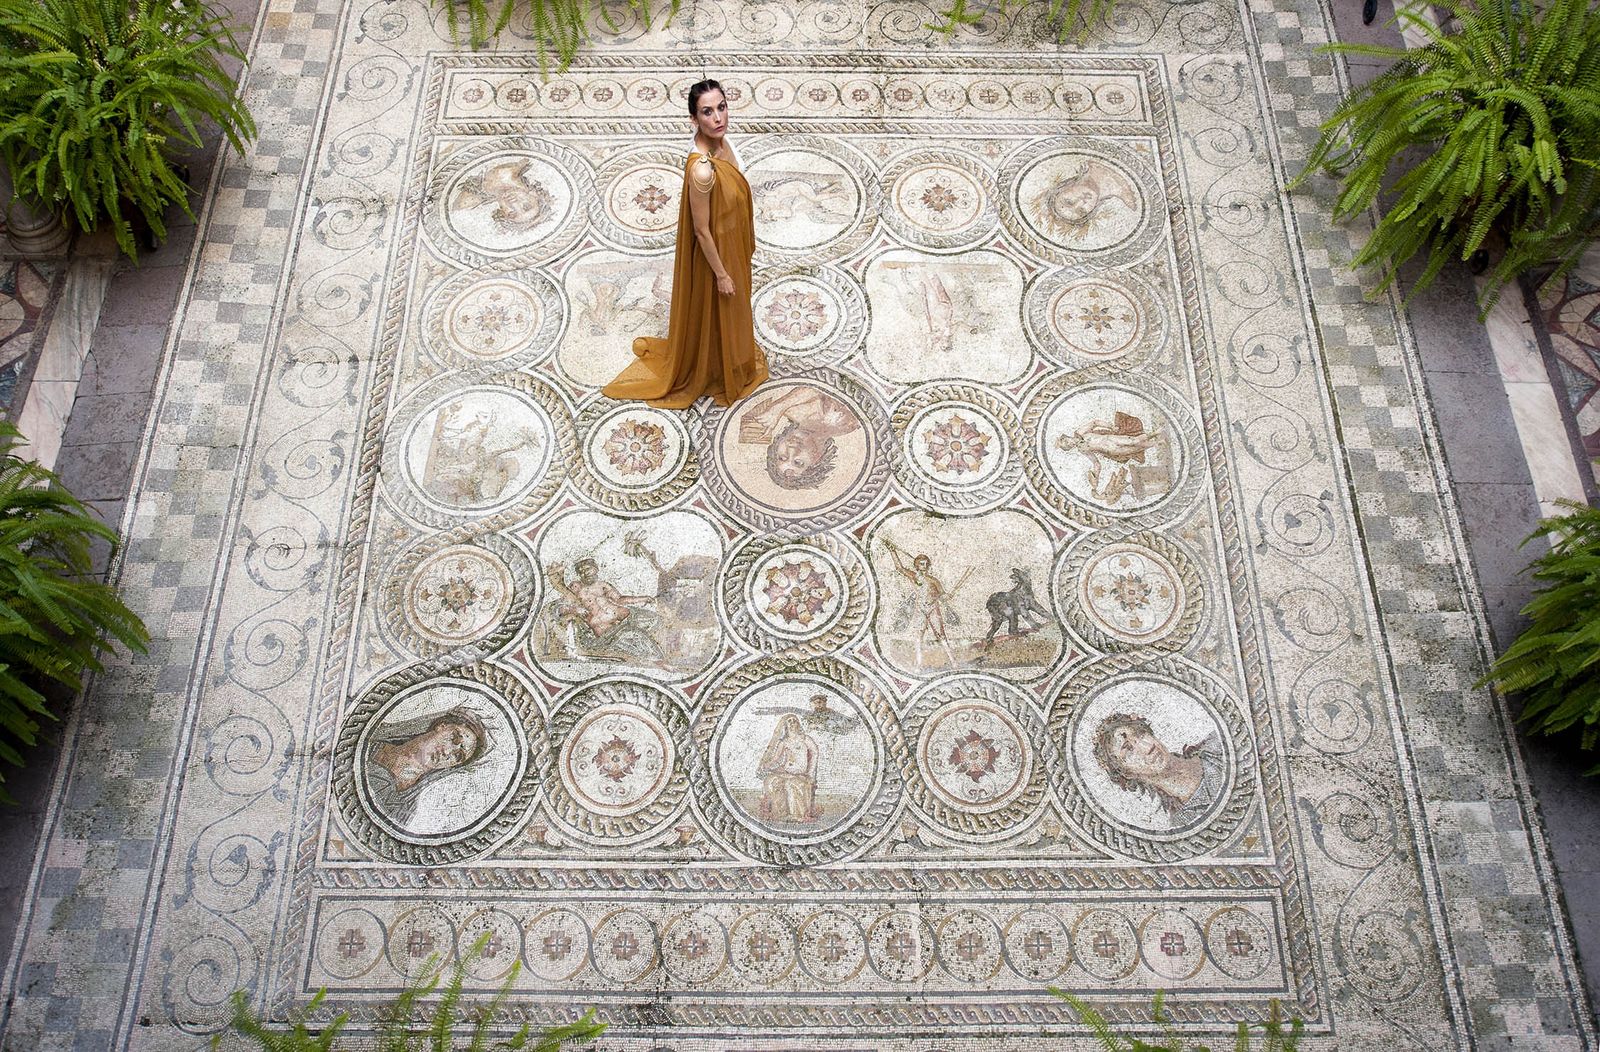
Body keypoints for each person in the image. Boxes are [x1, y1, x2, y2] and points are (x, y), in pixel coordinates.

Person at [604, 79, 768, 408]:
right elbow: (701, 230)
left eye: (721, 107)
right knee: (718, 308)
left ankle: (724, 358)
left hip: (731, 240)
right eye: (707, 112)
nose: (718, 118)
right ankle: (714, 369)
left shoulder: (725, 143)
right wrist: (721, 274)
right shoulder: (702, 172)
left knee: (730, 309)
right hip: (715, 252)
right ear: (694, 119)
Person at [1091, 712, 1226, 828]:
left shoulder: (1220, 744)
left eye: (1140, 734)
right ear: (1126, 773)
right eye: (1129, 749)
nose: (1147, 747)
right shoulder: (1184, 823)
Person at [365, 706, 492, 826]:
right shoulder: (369, 744)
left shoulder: (405, 808)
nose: (447, 752)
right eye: (453, 737)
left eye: (458, 756)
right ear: (441, 726)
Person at [737, 384, 861, 490]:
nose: (791, 450)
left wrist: (777, 408)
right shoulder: (845, 426)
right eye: (798, 462)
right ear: (817, 459)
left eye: (782, 457)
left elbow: (810, 386)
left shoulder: (791, 411)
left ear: (776, 445)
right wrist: (778, 408)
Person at [756, 714, 821, 823]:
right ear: (785, 725)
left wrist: (810, 772)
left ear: (798, 724)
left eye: (794, 721)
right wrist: (765, 765)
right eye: (789, 721)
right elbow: (776, 759)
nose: (791, 723)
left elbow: (815, 752)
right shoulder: (784, 742)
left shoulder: (805, 739)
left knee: (791, 784)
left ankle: (797, 815)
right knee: (771, 781)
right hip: (787, 771)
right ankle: (780, 814)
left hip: (802, 773)